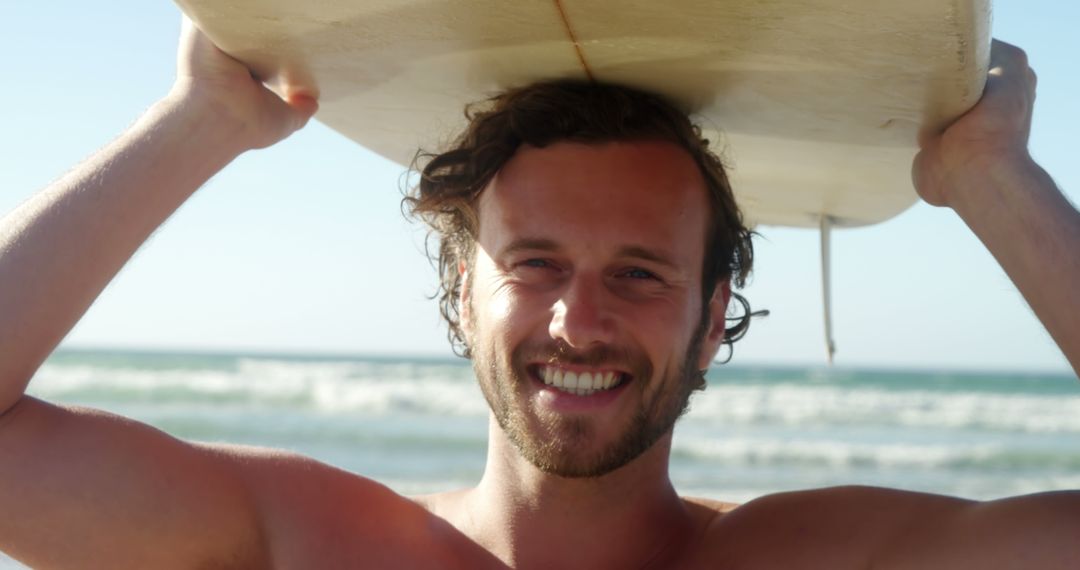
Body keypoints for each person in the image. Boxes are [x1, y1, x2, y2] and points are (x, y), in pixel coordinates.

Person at [1, 17, 1077, 569]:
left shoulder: (809, 563)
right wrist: (201, 123)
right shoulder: (307, 544)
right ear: (463, 293)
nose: (579, 318)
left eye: (640, 273)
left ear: (712, 322)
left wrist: (992, 180)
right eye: (535, 263)